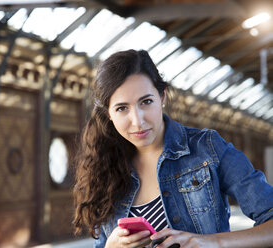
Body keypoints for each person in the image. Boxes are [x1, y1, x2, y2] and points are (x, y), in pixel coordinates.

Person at [72, 49, 273, 248]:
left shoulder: (207, 148)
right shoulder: (103, 167)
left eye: (146, 102)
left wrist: (212, 242)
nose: (138, 121)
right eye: (122, 108)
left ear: (163, 97)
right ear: (108, 113)